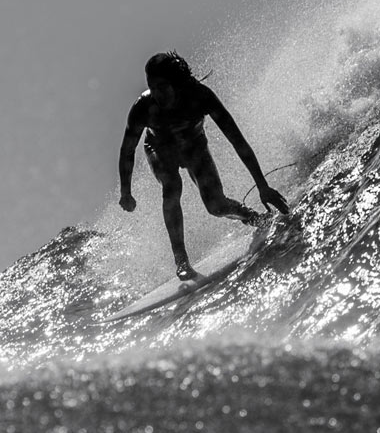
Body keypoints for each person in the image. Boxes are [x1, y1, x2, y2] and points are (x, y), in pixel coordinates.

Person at [117, 51, 290, 280]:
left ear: (176, 84)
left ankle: (252, 217)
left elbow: (237, 140)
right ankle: (182, 261)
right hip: (159, 149)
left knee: (216, 206)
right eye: (152, 86)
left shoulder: (200, 97)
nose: (157, 94)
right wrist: (125, 191)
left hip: (194, 146)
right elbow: (127, 150)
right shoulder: (143, 108)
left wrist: (262, 186)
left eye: (162, 86)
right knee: (171, 185)